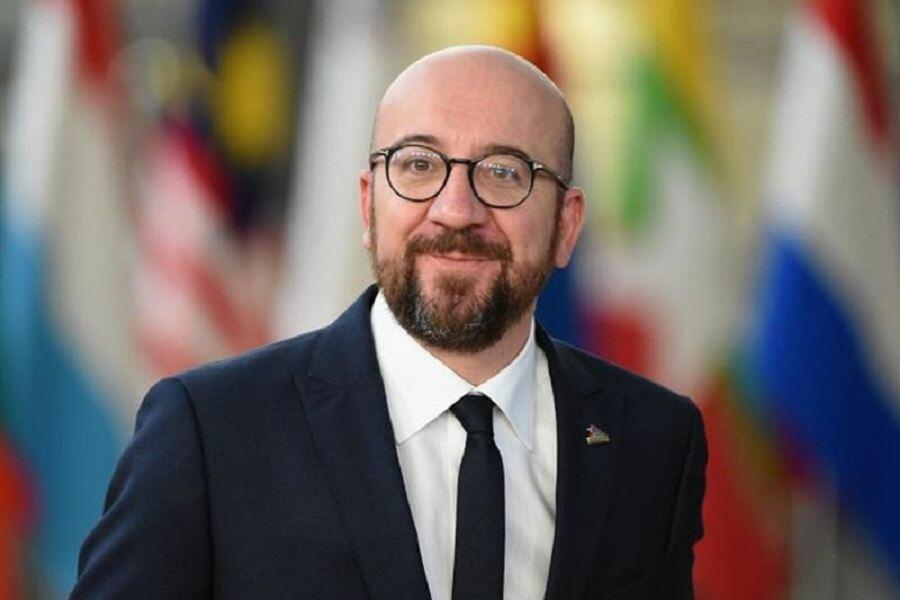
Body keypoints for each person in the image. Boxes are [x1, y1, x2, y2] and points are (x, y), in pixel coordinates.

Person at [72, 46, 706, 600]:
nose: (456, 210)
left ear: (566, 225)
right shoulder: (209, 430)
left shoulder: (654, 439)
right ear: (368, 206)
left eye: (504, 172)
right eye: (419, 164)